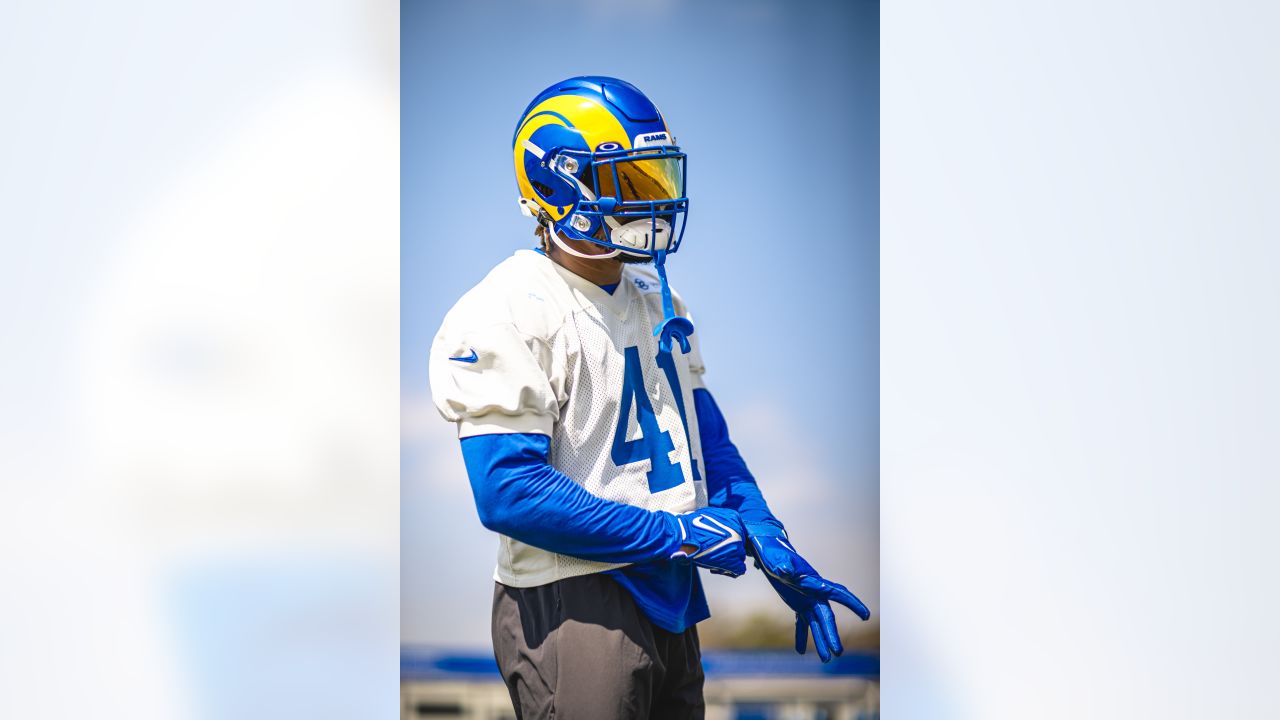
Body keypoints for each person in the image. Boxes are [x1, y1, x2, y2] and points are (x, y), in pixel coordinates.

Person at [429, 76, 870, 720]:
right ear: (562, 184)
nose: (652, 201)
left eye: (655, 179)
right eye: (627, 181)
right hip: (574, 598)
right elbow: (509, 491)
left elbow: (706, 444)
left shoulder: (656, 298)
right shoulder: (505, 309)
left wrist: (766, 535)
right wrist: (676, 534)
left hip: (669, 591)